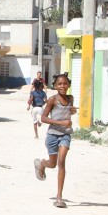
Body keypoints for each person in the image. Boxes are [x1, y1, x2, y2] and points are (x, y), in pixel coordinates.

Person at [33, 73, 77, 208]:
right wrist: (61, 122)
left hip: (65, 135)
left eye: (65, 83)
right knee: (52, 164)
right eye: (60, 84)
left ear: (68, 85)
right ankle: (42, 164)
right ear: (55, 86)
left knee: (61, 162)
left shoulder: (70, 98)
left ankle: (59, 197)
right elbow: (43, 118)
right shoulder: (52, 99)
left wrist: (72, 112)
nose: (62, 86)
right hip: (52, 135)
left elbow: (67, 112)